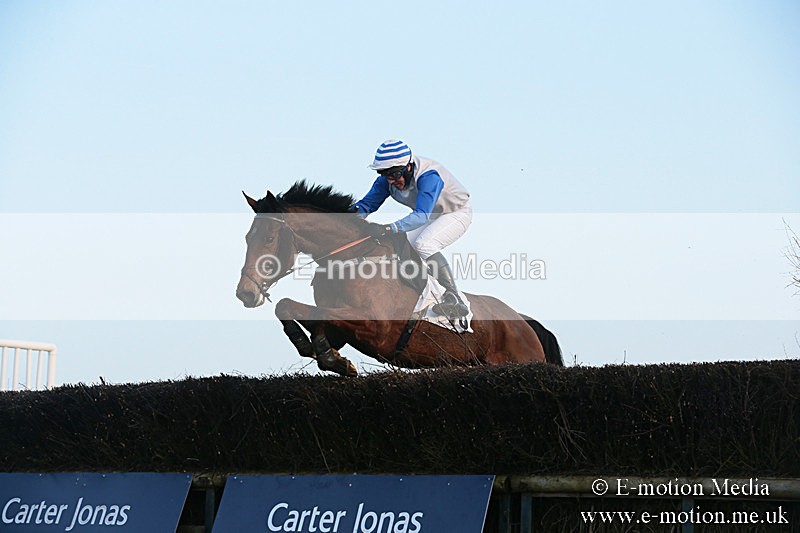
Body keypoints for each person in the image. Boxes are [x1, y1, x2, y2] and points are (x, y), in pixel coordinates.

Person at [351, 139, 472, 319]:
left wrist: (389, 228)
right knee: (400, 243)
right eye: (386, 175)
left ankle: (454, 297)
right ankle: (420, 293)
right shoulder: (387, 181)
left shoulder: (429, 176)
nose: (392, 181)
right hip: (430, 215)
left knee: (423, 244)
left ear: (408, 167)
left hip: (455, 213)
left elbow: (421, 216)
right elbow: (366, 205)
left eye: (395, 175)